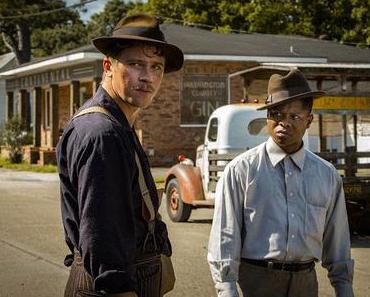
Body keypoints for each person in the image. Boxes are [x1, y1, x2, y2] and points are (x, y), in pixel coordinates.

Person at [56, 14, 183, 297]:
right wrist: (118, 289)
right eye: (136, 64)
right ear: (108, 66)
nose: (147, 77)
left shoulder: (117, 125)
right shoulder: (102, 133)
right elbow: (102, 234)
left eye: (156, 67)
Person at [207, 69, 354, 297]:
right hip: (256, 282)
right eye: (276, 114)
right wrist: (227, 289)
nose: (282, 123)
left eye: (293, 116)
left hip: (305, 283)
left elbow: (338, 240)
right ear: (267, 118)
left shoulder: (327, 176)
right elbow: (224, 238)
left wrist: (344, 288)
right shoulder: (241, 171)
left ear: (309, 121)